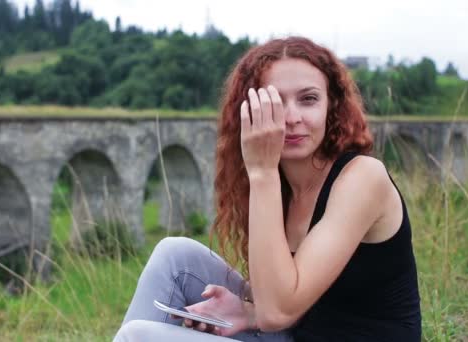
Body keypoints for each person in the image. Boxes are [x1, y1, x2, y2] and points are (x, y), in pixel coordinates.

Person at [113, 36, 421, 341]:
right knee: (174, 255)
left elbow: (277, 313)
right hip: (301, 335)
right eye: (273, 102)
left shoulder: (362, 178)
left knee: (138, 336)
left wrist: (262, 172)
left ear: (332, 107)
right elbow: (298, 293)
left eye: (308, 99)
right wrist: (249, 311)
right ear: (249, 111)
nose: (291, 118)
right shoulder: (285, 186)